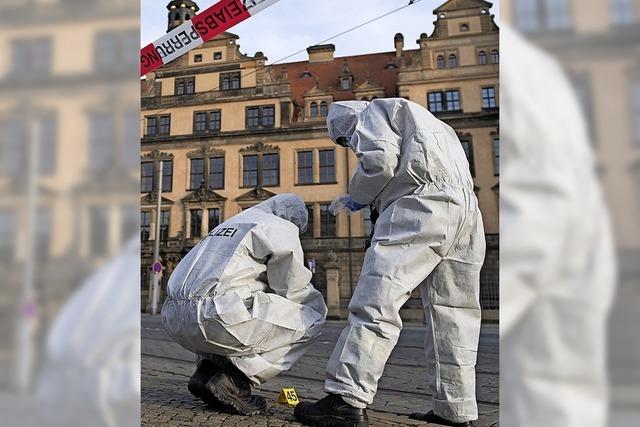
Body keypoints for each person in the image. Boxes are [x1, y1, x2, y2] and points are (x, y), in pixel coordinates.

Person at [294, 99, 485, 427]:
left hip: (421, 207)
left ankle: (346, 398)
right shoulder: (431, 122)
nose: (349, 146)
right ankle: (455, 410)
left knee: (377, 300)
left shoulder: (368, 113)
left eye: (345, 140)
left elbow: (380, 162)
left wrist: (359, 195)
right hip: (466, 212)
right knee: (455, 314)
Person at [161, 193, 327, 416]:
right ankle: (235, 381)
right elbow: (292, 287)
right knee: (311, 316)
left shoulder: (231, 222)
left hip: (172, 317)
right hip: (217, 318)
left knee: (241, 302)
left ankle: (207, 373)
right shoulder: (281, 227)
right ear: (294, 220)